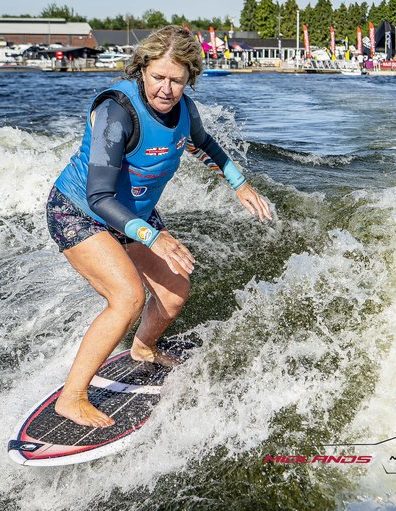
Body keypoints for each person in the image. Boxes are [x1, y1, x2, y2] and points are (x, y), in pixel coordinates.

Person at [46, 25, 272, 428]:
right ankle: (72, 397)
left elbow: (205, 142)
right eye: (158, 78)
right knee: (128, 297)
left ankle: (142, 348)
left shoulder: (185, 110)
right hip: (80, 211)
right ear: (142, 69)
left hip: (135, 215)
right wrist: (154, 236)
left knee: (174, 292)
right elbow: (99, 196)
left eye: (177, 81)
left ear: (190, 79)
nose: (167, 89)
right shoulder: (118, 112)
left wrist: (240, 184)